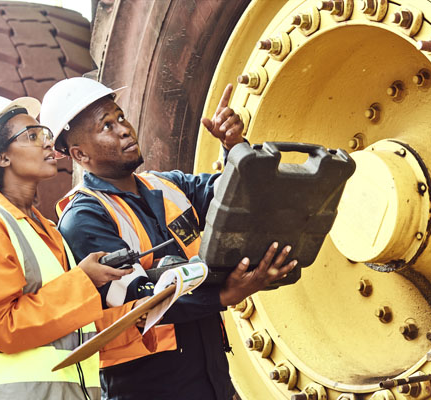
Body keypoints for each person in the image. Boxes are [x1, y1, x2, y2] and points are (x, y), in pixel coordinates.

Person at [40, 77, 297, 400]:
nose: (124, 129)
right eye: (106, 126)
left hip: (210, 382)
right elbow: (138, 301)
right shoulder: (84, 218)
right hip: (147, 390)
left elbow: (238, 197)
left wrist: (234, 147)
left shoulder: (167, 187)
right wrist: (224, 296)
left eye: (120, 117)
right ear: (80, 154)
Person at [0, 94, 158, 400]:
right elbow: (4, 327)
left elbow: (65, 327)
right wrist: (84, 281)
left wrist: (134, 317)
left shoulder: (47, 231)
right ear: (1, 157)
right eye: (32, 136)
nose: (47, 142)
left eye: (43, 133)